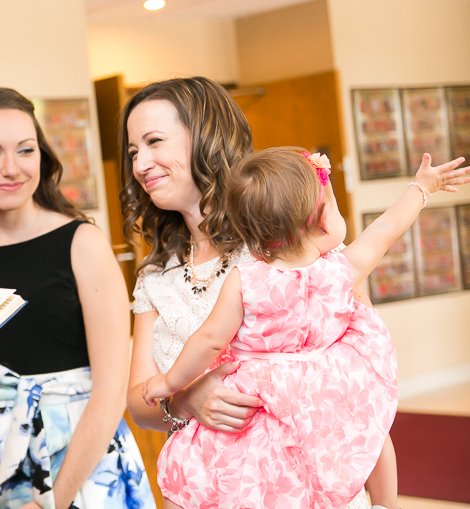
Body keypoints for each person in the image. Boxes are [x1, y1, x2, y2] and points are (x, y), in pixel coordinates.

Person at [142, 148, 468, 508]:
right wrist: (422, 187)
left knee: (200, 461)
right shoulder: (342, 269)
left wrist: (169, 382)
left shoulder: (244, 281)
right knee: (370, 426)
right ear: (326, 221)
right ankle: (386, 504)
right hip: (327, 391)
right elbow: (387, 228)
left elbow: (208, 340)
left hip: (263, 400)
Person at [122, 77, 384, 509]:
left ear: (206, 137)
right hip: (209, 490)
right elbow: (138, 404)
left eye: (153, 142)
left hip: (308, 486)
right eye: (133, 152)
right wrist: (187, 399)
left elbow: (360, 367)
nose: (140, 164)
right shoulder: (155, 276)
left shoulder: (294, 243)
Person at [0, 87, 155, 509]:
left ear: (41, 158)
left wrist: (52, 502)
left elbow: (110, 388)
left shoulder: (82, 242)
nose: (11, 169)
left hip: (79, 469)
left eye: (25, 150)